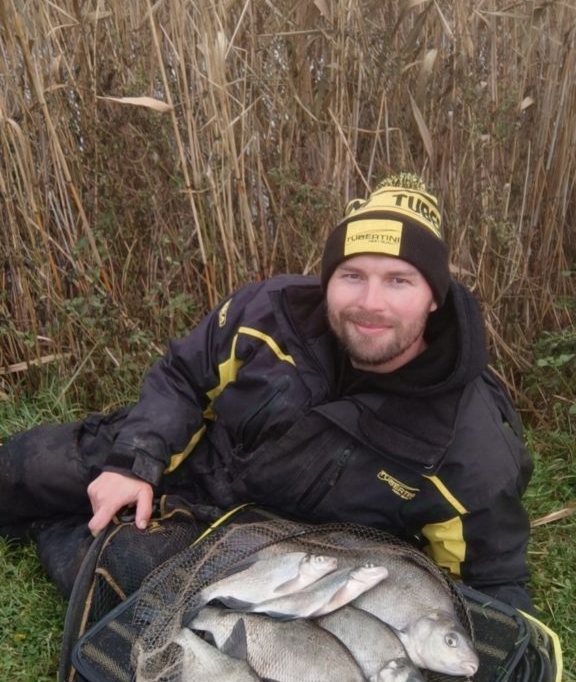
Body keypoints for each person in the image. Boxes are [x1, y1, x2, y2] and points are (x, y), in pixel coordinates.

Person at [0, 174, 534, 610]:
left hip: (285, 549)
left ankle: (65, 533)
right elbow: (184, 375)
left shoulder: (468, 444)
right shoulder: (269, 311)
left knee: (128, 579)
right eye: (352, 275)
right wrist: (134, 462)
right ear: (328, 279)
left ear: (434, 297)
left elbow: (492, 581)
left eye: (399, 281)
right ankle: (75, 512)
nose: (370, 303)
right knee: (30, 463)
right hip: (202, 461)